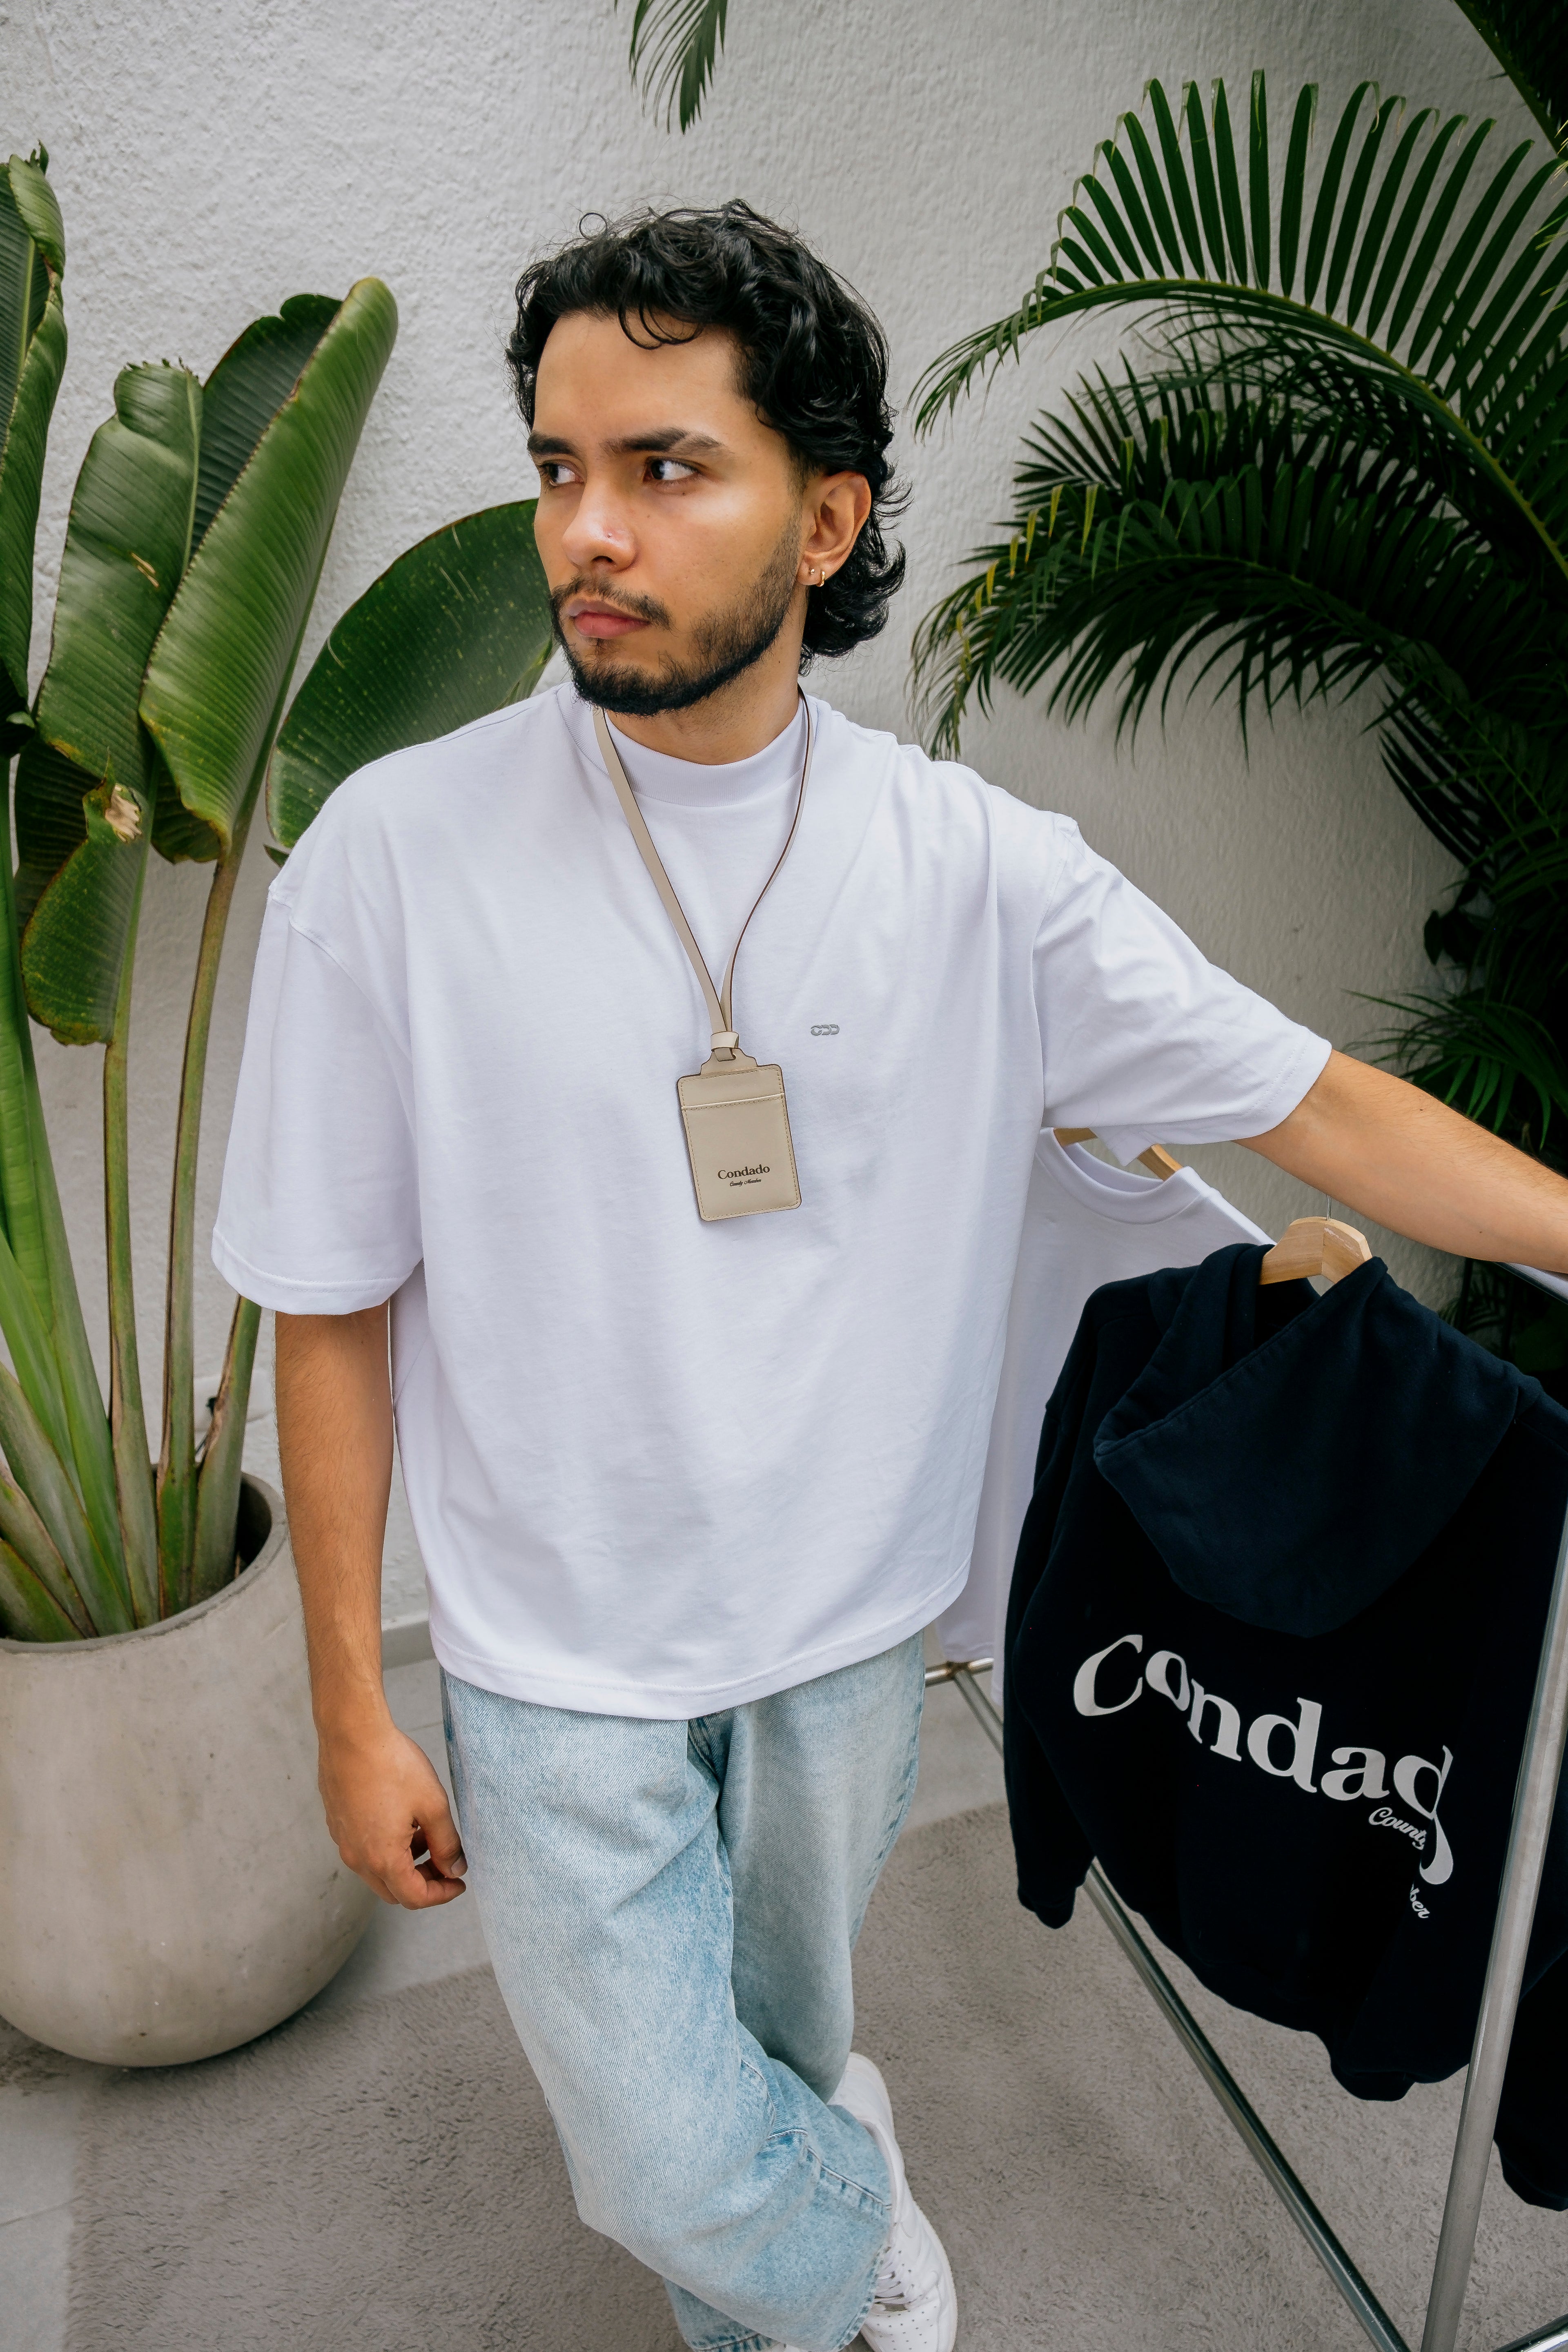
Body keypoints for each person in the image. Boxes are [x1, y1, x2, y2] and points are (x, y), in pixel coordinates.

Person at [213, 202, 1568, 2352]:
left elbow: (1316, 1108)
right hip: (552, 1646)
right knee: (658, 2144)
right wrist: (351, 1702)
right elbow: (328, 1295)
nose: (590, 529)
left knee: (757, 2054)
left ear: (827, 516)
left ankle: (783, 2282)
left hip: (849, 1630)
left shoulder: (975, 873)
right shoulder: (397, 856)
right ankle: (847, 2228)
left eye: (667, 468)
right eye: (561, 467)